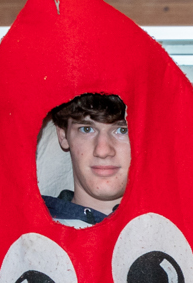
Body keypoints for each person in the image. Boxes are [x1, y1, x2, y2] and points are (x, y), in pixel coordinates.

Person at [39, 92, 128, 227]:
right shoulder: (26, 235)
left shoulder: (168, 231)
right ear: (63, 136)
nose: (102, 151)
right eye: (86, 129)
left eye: (122, 130)